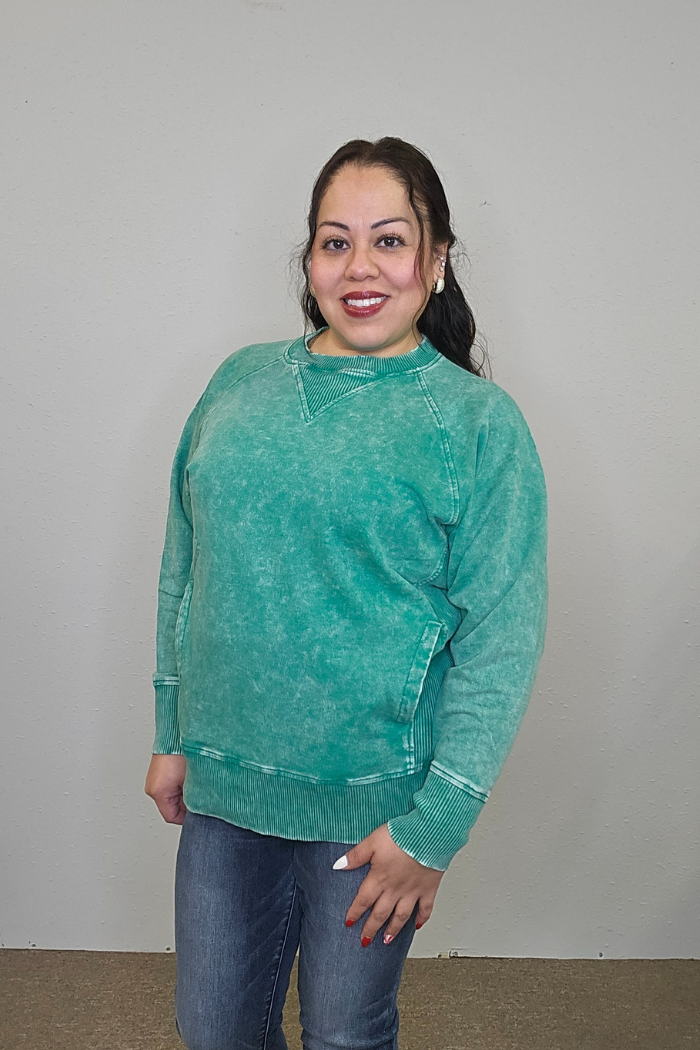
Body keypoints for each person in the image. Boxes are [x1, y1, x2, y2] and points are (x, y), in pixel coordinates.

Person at [144, 136, 548, 1050]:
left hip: (374, 820)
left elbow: (501, 640)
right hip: (223, 797)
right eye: (335, 241)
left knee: (344, 1036)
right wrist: (171, 736)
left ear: (437, 259)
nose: (361, 267)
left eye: (390, 240)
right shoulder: (237, 385)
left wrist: (434, 828)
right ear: (310, 261)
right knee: (212, 1034)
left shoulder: (479, 426)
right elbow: (185, 567)